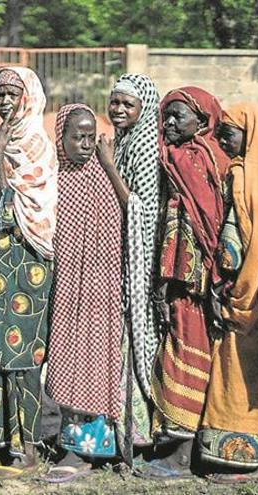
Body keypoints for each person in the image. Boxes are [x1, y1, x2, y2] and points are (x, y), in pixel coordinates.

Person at [136, 87, 230, 480]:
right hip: (176, 277)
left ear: (203, 122)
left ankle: (181, 455)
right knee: (175, 350)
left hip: (196, 282)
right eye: (166, 116)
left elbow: (208, 223)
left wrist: (202, 279)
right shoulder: (179, 156)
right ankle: (173, 443)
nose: (169, 123)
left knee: (189, 354)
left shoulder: (199, 159)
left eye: (179, 116)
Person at [0, 67, 57, 479]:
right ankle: (4, 443)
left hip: (29, 263)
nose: (5, 101)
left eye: (13, 94)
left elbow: (12, 211)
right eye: (0, 94)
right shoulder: (5, 143)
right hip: (0, 262)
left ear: (28, 97)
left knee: (23, 353)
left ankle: (27, 450)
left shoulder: (36, 144)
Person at [197, 102, 258, 483]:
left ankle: (244, 463)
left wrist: (230, 285)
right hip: (250, 293)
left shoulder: (247, 178)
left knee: (243, 379)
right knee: (236, 378)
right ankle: (232, 457)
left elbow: (248, 243)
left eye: (229, 131)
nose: (221, 138)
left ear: (250, 135)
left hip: (247, 294)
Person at [43, 103, 123, 483]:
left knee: (96, 361)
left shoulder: (105, 176)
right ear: (61, 137)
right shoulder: (54, 178)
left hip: (101, 290)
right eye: (78, 136)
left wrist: (108, 166)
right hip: (66, 287)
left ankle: (90, 449)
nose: (86, 144)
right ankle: (71, 441)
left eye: (92, 136)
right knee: (68, 361)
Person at [96, 73, 161, 451]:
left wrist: (108, 165)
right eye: (115, 101)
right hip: (119, 255)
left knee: (137, 339)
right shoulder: (123, 140)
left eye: (127, 104)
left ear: (144, 108)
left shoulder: (145, 147)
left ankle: (138, 434)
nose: (118, 109)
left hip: (140, 259)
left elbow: (139, 207)